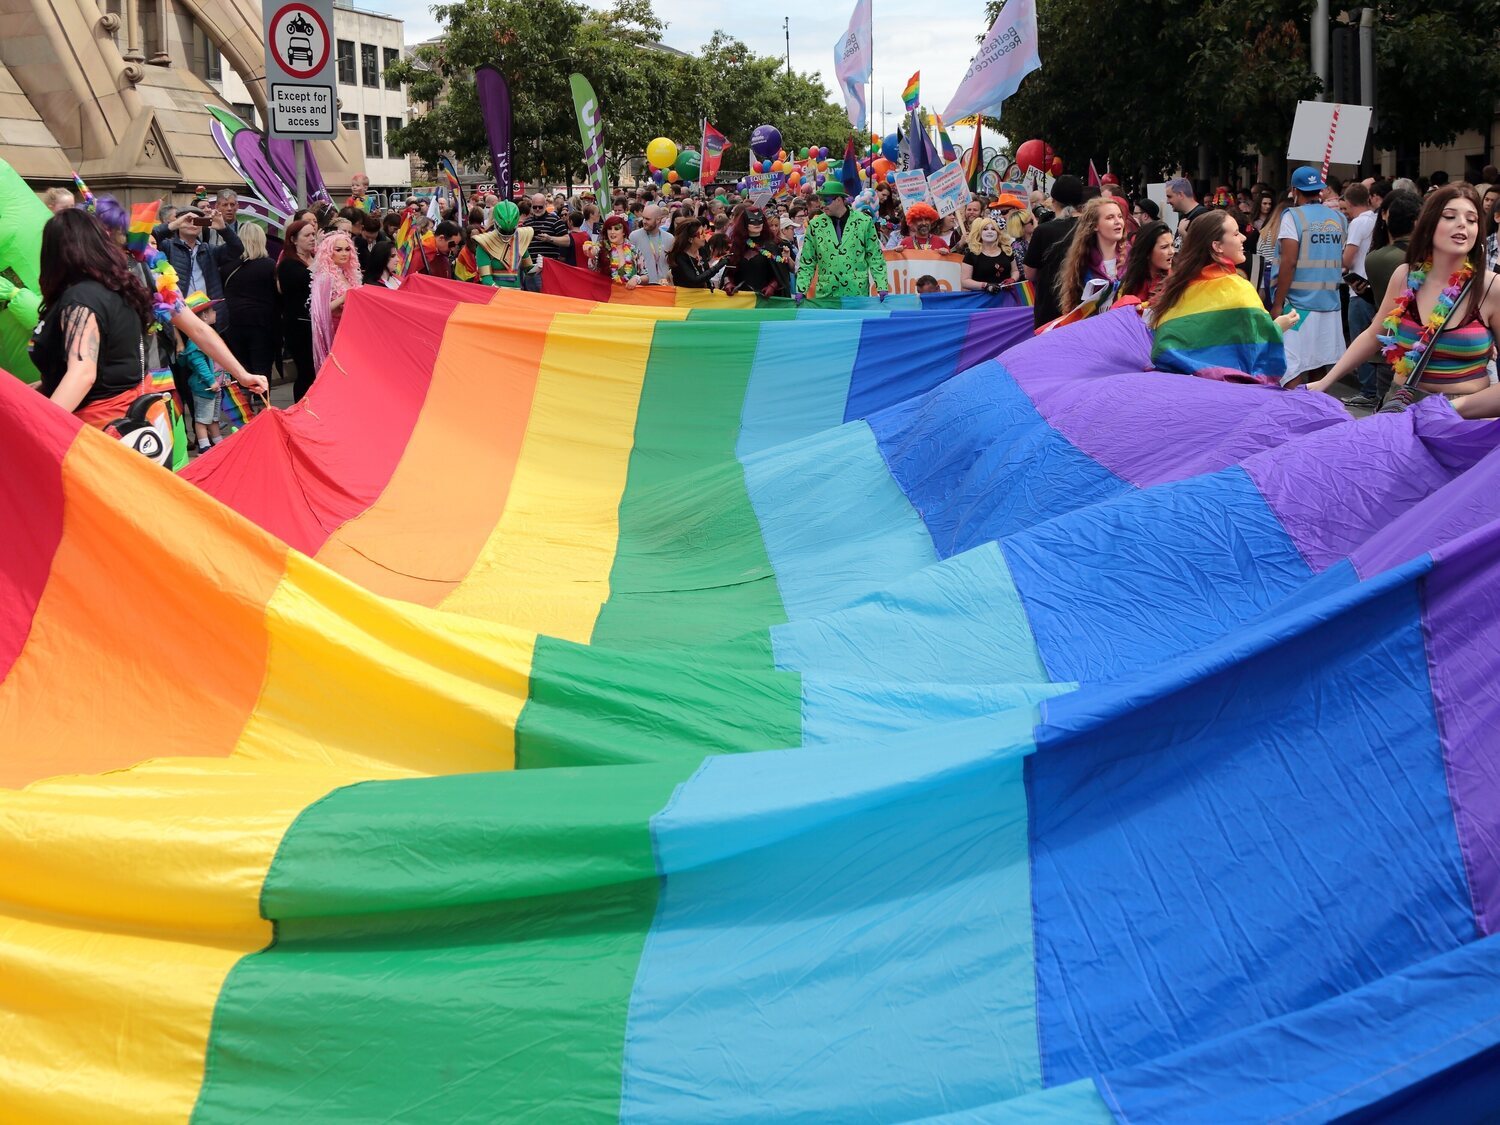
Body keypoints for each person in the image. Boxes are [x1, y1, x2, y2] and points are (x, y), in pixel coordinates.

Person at [1309, 184, 1498, 409]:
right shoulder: (1405, 276)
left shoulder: (1491, 287)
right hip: (1401, 405)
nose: (1462, 224)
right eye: (1449, 216)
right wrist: (1325, 381)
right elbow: (1373, 335)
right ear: (1427, 225)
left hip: (1462, 419)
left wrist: (1449, 409)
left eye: (1472, 219)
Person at [1149, 209, 1299, 382]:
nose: (1243, 238)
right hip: (1224, 395)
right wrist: (1278, 327)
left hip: (1180, 389)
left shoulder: (1178, 287)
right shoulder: (1238, 289)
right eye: (1236, 234)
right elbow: (1254, 351)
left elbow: (1169, 349)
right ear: (1217, 246)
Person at [1272, 165, 1348, 385]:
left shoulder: (1292, 217)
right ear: (1321, 190)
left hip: (1298, 306)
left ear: (1294, 191)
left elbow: (1289, 262)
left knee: (1290, 364)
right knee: (1319, 363)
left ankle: (1295, 410)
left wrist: (1277, 304)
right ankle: (1315, 410)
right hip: (1330, 304)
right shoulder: (1339, 219)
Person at [794, 181, 889, 300]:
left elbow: (875, 257)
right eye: (820, 200)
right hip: (827, 294)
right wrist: (801, 290)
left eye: (826, 200)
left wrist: (882, 286)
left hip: (856, 292)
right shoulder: (815, 225)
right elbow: (807, 261)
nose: (822, 205)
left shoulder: (864, 222)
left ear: (839, 200)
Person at [157, 205, 243, 333]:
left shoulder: (209, 250)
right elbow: (144, 240)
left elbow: (237, 249)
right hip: (180, 316)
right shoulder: (167, 247)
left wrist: (223, 229)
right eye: (188, 220)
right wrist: (172, 226)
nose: (193, 224)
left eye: (197, 221)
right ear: (179, 222)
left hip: (209, 317)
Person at [221, 223, 279, 383]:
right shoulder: (269, 265)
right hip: (262, 324)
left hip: (233, 323)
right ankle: (263, 404)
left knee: (240, 369)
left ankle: (244, 405)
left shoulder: (227, 267)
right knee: (262, 369)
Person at [1024, 173, 1084, 327]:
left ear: (1054, 201)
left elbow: (1030, 273)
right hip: (1085, 307)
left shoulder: (1043, 231)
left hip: (1050, 309)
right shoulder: (1092, 228)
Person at [1340, 182, 1379, 406]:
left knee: (1360, 341)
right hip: (1376, 287)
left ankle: (1367, 391)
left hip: (1358, 288)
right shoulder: (1376, 219)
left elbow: (1348, 259)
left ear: (1349, 202)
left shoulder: (1358, 223)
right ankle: (1375, 389)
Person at [176, 292, 230, 453]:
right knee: (202, 418)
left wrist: (225, 376)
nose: (215, 313)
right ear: (204, 316)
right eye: (212, 311)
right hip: (204, 386)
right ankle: (204, 445)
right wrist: (210, 381)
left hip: (215, 385)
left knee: (213, 417)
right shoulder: (196, 342)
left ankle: (217, 440)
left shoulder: (211, 336)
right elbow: (199, 364)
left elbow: (221, 359)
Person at [1055, 196, 1128, 315]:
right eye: (1110, 217)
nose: (1118, 221)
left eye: (1120, 216)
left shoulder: (1132, 257)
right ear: (1095, 226)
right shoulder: (1082, 261)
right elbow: (1074, 305)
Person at [276, 218, 317, 400]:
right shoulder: (288, 264)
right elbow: (303, 285)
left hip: (317, 323)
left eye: (313, 234)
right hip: (299, 326)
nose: (312, 239)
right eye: (307, 235)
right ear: (293, 239)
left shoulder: (314, 259)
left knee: (318, 372)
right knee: (306, 371)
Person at [311, 230, 361, 372]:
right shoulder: (324, 277)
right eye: (338, 250)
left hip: (351, 331)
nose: (344, 253)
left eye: (347, 249)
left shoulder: (347, 274)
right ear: (328, 252)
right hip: (335, 333)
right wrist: (344, 299)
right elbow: (319, 311)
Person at [723, 206, 793, 298]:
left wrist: (772, 286)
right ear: (745, 223)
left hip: (765, 300)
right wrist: (728, 283)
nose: (757, 223)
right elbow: (729, 271)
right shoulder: (737, 245)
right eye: (752, 220)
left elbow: (780, 272)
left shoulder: (770, 245)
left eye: (760, 219)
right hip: (741, 299)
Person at [472, 201, 532, 288]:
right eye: (503, 231)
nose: (507, 235)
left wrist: (541, 266)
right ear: (495, 223)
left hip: (517, 295)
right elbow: (486, 279)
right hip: (496, 295)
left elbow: (529, 269)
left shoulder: (519, 239)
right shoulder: (484, 243)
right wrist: (500, 292)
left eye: (511, 231)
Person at [1118, 219, 1174, 303]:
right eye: (1164, 247)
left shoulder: (1174, 284)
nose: (1172, 252)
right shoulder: (1129, 282)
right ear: (1147, 251)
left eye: (1172, 245)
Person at [960, 215, 1017, 293]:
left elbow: (1015, 271)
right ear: (980, 233)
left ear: (997, 233)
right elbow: (965, 281)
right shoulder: (972, 254)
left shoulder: (1007, 251)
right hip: (982, 299)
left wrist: (1013, 279)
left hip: (1006, 297)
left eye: (993, 229)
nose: (989, 231)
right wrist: (985, 285)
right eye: (985, 229)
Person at [589, 214, 645, 286]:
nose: (612, 232)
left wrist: (637, 279)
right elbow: (593, 253)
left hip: (629, 295)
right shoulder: (601, 247)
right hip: (606, 294)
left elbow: (645, 276)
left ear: (624, 232)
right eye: (609, 228)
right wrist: (590, 249)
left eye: (616, 229)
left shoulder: (634, 250)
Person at [667, 219, 720, 288]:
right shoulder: (679, 257)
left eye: (704, 232)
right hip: (685, 296)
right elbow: (694, 280)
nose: (705, 236)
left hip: (703, 294)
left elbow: (706, 273)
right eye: (701, 234)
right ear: (690, 239)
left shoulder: (701, 250)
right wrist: (718, 266)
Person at [628, 204, 671, 284]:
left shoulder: (669, 238)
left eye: (647, 219)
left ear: (658, 220)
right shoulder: (634, 236)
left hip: (664, 288)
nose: (644, 221)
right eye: (643, 218)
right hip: (642, 288)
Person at [1165, 177, 1210, 242]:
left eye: (1169, 197)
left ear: (1180, 195)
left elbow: (1202, 248)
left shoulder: (1202, 216)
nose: (1167, 201)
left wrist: (1183, 233)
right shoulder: (1183, 216)